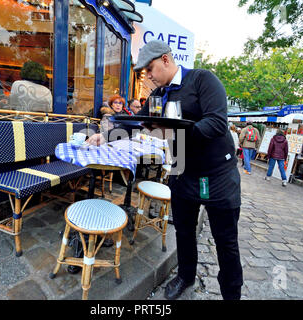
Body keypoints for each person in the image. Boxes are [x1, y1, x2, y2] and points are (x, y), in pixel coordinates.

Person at [88, 40, 242, 300]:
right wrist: (105, 135)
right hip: (182, 170)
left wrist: (178, 131)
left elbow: (217, 123)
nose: (147, 76)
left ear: (166, 60)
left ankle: (231, 293)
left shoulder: (203, 80)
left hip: (218, 174)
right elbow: (138, 124)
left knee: (226, 242)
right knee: (182, 230)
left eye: (149, 69)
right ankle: (185, 277)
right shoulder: (158, 96)